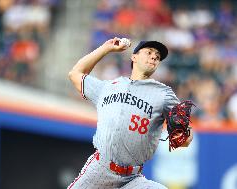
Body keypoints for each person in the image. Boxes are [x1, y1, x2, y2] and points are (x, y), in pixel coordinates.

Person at [67, 37, 193, 189]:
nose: (154, 56)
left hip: (132, 180)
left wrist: (185, 135)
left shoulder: (164, 95)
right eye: (149, 52)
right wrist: (105, 49)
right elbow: (75, 73)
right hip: (99, 171)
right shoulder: (109, 87)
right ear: (134, 57)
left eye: (158, 57)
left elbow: (185, 138)